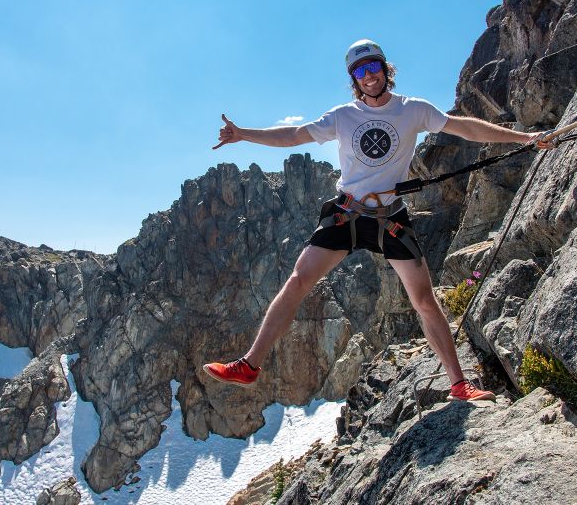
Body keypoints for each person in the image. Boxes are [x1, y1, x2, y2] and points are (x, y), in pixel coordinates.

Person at [204, 39, 552, 401]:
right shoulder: (343, 115)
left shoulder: (413, 110)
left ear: (386, 70)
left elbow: (465, 128)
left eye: (373, 67)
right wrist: (243, 134)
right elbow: (294, 135)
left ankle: (459, 384)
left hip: (391, 217)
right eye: (359, 71)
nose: (368, 76)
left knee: (424, 300)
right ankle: (249, 366)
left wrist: (525, 138)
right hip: (347, 212)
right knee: (298, 281)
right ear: (353, 79)